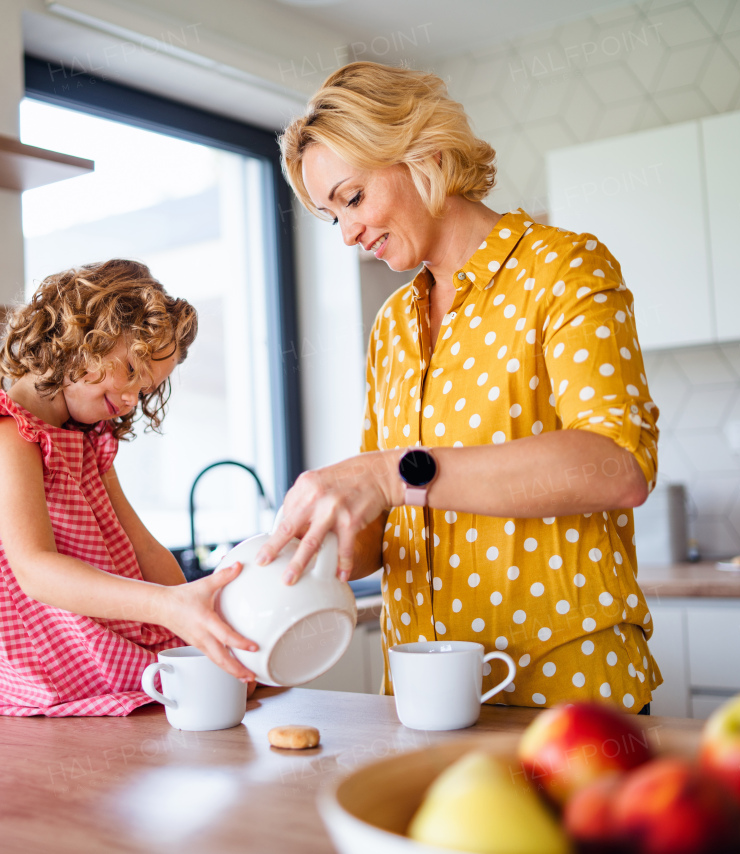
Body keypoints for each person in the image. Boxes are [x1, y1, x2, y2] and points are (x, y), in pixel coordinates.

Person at [264, 62, 662, 713]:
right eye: (329, 216)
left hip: (567, 689)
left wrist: (392, 474)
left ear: (422, 152)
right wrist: (301, 547)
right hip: (426, 695)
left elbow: (615, 465)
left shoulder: (562, 268)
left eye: (353, 197)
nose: (347, 233)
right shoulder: (393, 324)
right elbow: (386, 520)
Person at [0, 259, 256, 717]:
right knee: (225, 686)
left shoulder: (88, 441)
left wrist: (195, 613)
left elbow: (140, 545)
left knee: (235, 678)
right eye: (130, 368)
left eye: (145, 390)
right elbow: (35, 569)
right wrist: (167, 607)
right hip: (38, 667)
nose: (131, 399)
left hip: (91, 647)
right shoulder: (6, 436)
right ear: (79, 333)